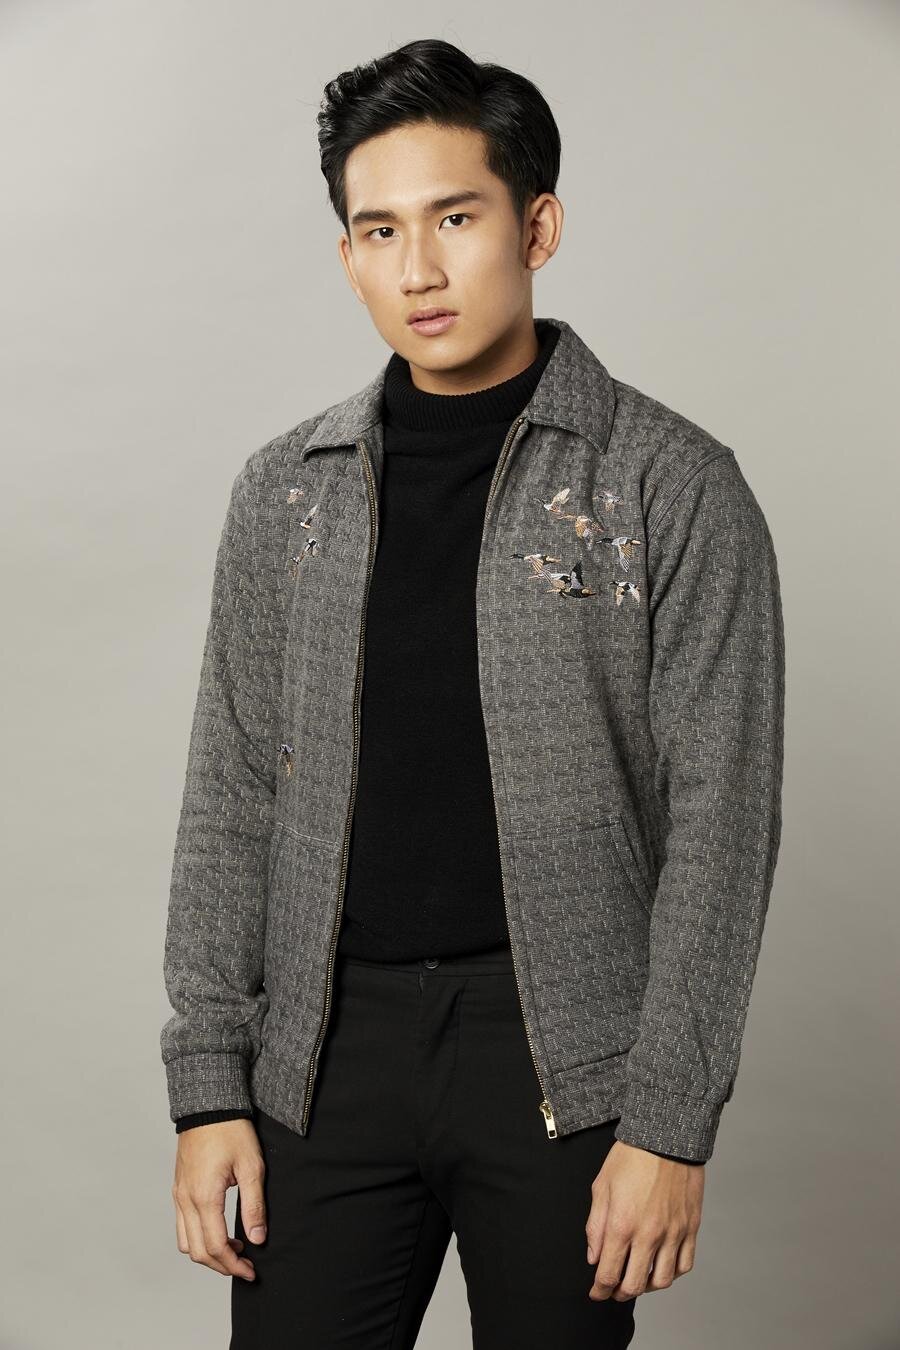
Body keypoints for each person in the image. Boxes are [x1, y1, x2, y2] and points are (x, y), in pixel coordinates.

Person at [160, 37, 785, 1349]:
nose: (420, 270)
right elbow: (230, 794)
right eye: (379, 231)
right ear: (347, 256)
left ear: (537, 226)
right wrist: (208, 1086)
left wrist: (670, 1123)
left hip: (565, 1055)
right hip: (325, 1051)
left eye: (456, 218)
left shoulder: (670, 484)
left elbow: (723, 825)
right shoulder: (285, 494)